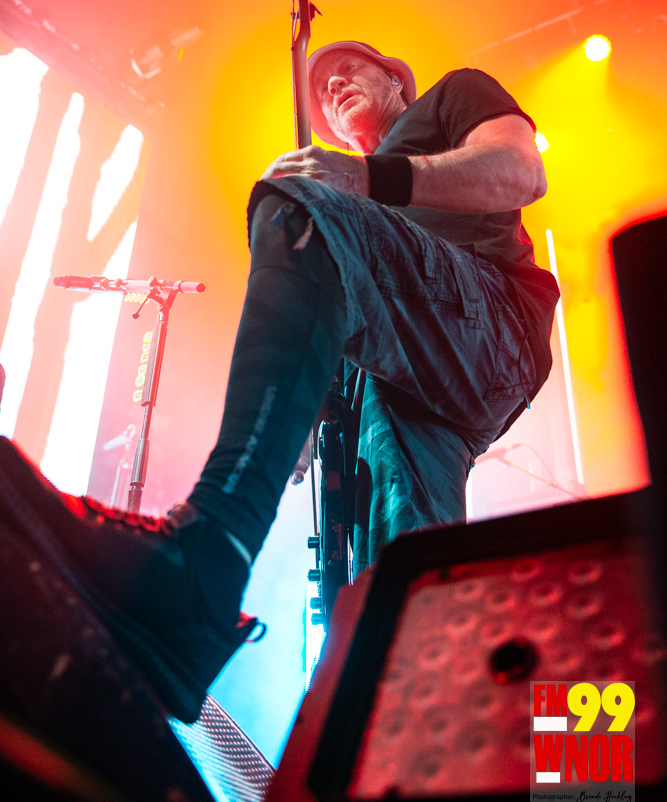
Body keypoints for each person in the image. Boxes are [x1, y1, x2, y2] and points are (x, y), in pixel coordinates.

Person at [0, 41, 559, 725]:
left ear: (395, 78)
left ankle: (213, 547)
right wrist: (302, 409)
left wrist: (363, 178)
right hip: (399, 377)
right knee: (401, 562)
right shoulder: (357, 207)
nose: (333, 86)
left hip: (491, 324)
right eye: (320, 88)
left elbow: (520, 172)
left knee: (297, 209)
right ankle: (425, 722)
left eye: (349, 69)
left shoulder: (451, 97)